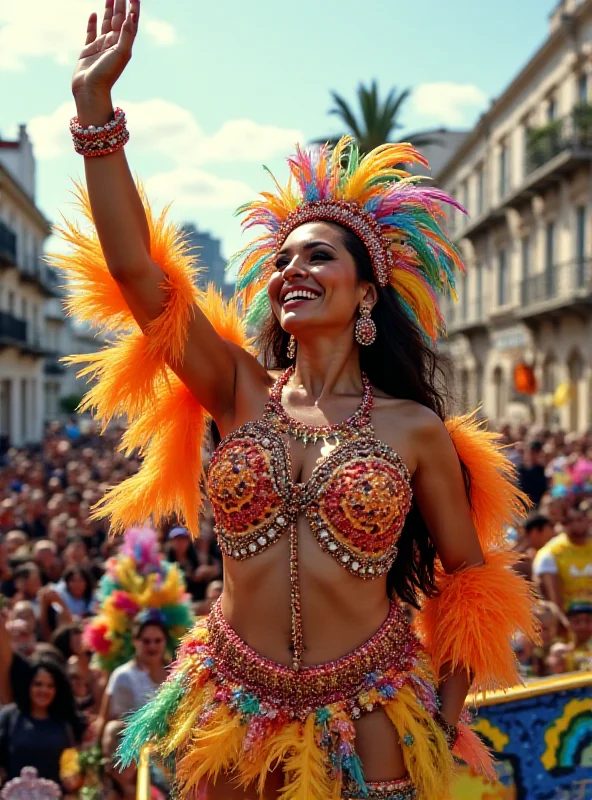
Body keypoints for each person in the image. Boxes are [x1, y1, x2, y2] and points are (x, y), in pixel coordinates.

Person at [60, 3, 538, 797]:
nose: (290, 270)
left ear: (365, 289)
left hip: (375, 715)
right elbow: (140, 277)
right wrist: (95, 115)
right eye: (281, 260)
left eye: (318, 254)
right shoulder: (238, 390)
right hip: (230, 709)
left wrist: (445, 722)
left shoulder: (415, 430)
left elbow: (471, 587)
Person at [0, 658, 82, 787]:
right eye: (38, 684)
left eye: (50, 686)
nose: (44, 690)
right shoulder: (9, 717)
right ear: (28, 685)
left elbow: (73, 763)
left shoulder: (65, 723)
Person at [97, 618, 169, 737]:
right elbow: (112, 719)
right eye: (146, 641)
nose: (152, 646)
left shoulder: (176, 672)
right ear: (135, 641)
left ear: (165, 641)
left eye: (158, 641)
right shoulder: (123, 675)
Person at [533, 504, 592, 612]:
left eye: (580, 519)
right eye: (570, 521)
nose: (576, 525)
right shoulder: (550, 553)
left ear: (588, 521)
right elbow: (552, 599)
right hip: (567, 619)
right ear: (563, 524)